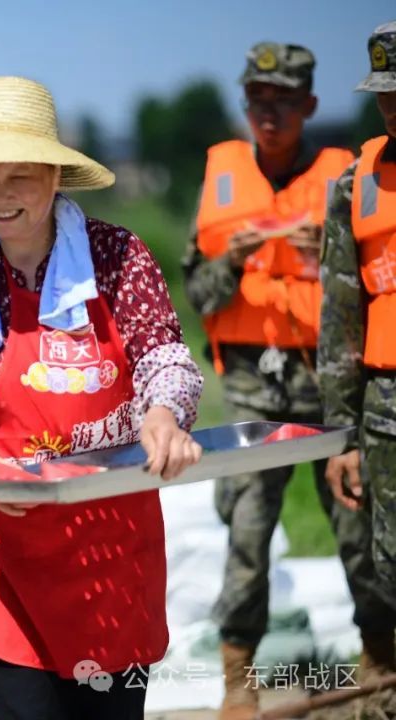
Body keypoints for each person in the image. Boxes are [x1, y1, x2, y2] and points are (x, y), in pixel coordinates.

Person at [0, 76, 205, 720]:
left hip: (111, 546)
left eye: (20, 176)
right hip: (3, 552)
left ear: (55, 176)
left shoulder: (118, 257)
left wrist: (163, 412)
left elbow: (164, 356)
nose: (0, 195)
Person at [180, 42, 395, 718]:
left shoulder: (346, 176)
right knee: (247, 532)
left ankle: (380, 661)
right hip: (251, 383)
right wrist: (232, 261)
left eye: (284, 102)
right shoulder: (221, 174)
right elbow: (198, 294)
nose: (268, 114)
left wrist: (325, 252)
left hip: (326, 381)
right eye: (257, 101)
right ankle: (237, 677)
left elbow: (361, 294)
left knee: (357, 530)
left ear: (310, 105)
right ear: (245, 105)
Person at [321, 18, 396, 647]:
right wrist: (342, 435)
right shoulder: (355, 182)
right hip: (385, 409)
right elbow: (341, 315)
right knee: (391, 565)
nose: (391, 108)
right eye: (383, 94)